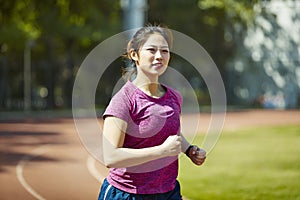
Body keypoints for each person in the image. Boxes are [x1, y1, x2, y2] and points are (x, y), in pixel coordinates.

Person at [98, 24, 206, 200]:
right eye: (151, 50)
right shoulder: (124, 100)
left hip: (168, 192)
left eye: (164, 51)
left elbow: (172, 132)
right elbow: (111, 157)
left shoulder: (174, 97)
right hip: (128, 194)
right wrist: (162, 151)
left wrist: (189, 150)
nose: (159, 56)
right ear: (135, 55)